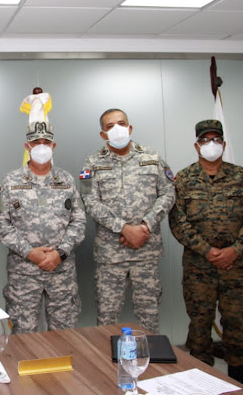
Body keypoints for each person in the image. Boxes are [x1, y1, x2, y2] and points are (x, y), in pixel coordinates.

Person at [168, 119, 243, 390]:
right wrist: (207, 250)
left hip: (237, 265)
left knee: (235, 322)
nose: (211, 144)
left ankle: (237, 374)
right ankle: (201, 378)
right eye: (205, 140)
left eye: (216, 140)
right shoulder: (184, 179)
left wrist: (235, 249)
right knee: (200, 322)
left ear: (223, 143)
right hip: (199, 266)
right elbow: (178, 222)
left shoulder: (240, 176)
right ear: (197, 145)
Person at [80, 108, 175, 333]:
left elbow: (168, 193)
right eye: (110, 126)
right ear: (103, 134)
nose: (117, 129)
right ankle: (105, 356)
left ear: (130, 128)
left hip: (146, 251)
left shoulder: (152, 157)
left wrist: (145, 226)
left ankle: (150, 355)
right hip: (110, 255)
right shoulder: (92, 163)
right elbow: (88, 200)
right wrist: (123, 228)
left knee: (149, 317)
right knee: (107, 319)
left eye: (121, 123)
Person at [0, 121, 86, 334]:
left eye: (46, 142)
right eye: (36, 142)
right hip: (24, 272)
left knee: (64, 333)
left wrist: (60, 253)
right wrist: (30, 252)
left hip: (61, 271)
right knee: (24, 333)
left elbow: (79, 220)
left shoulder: (66, 180)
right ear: (27, 146)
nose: (42, 146)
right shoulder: (10, 181)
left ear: (53, 146)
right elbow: (1, 224)